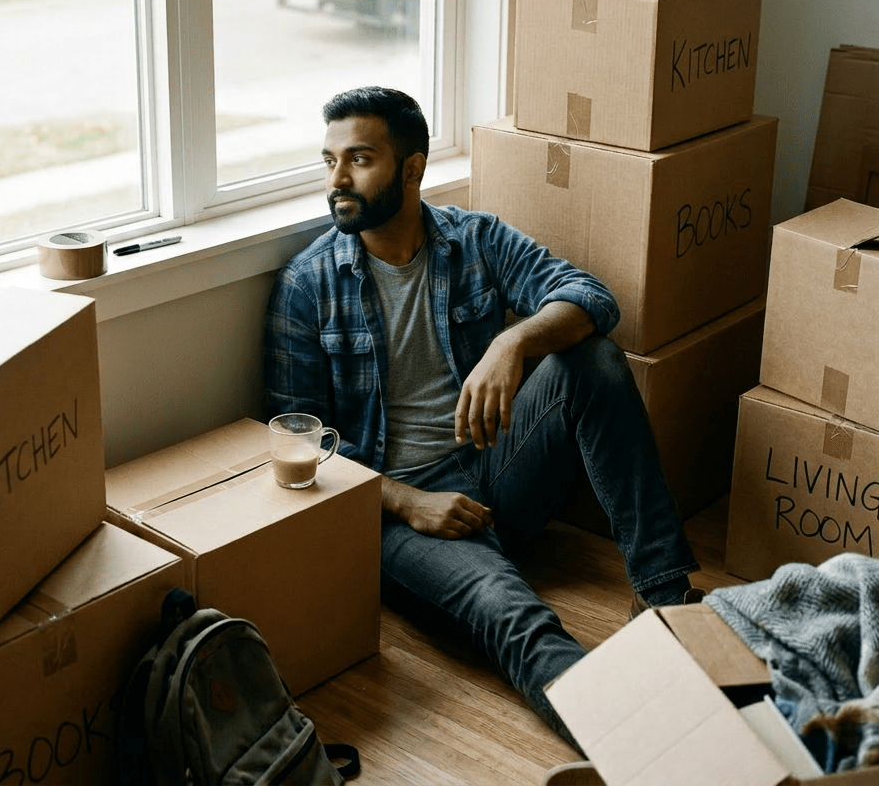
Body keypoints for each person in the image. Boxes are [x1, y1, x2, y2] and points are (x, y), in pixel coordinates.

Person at [263, 86, 701, 745]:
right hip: (405, 516)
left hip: (494, 470)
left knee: (595, 361)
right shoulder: (308, 284)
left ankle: (665, 596)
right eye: (329, 161)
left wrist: (513, 341)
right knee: (513, 614)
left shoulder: (474, 239)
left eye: (359, 159)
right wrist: (409, 502)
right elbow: (297, 446)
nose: (338, 179)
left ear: (412, 168)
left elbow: (591, 297)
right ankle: (645, 744)